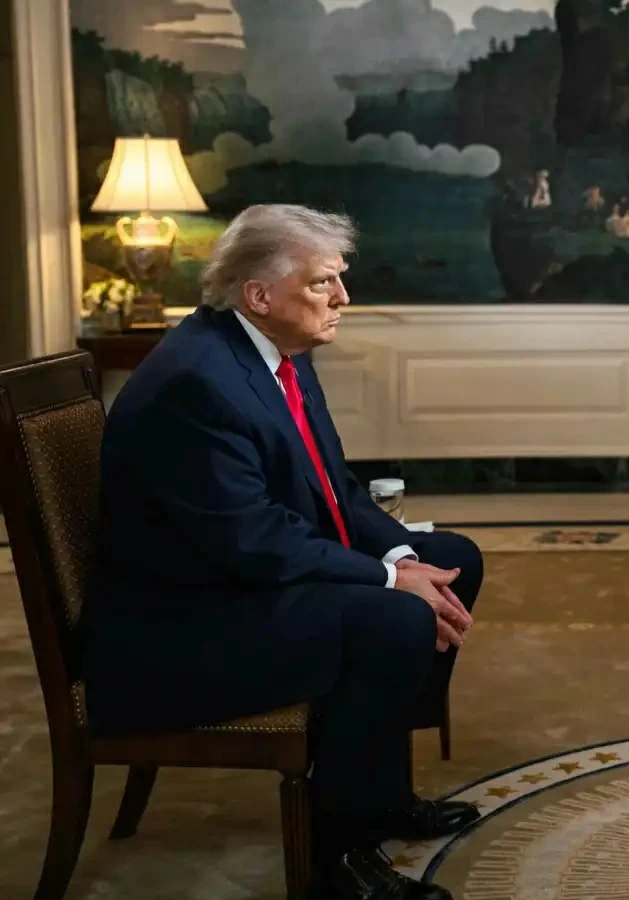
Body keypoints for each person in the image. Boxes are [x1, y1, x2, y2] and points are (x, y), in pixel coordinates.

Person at [83, 204, 484, 900]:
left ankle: (379, 791)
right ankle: (339, 862)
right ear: (259, 295)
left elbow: (336, 489)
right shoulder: (195, 384)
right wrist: (387, 579)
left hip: (233, 581)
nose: (343, 297)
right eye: (324, 282)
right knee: (394, 618)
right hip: (181, 628)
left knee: (455, 558)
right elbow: (254, 540)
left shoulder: (275, 352)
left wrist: (398, 556)